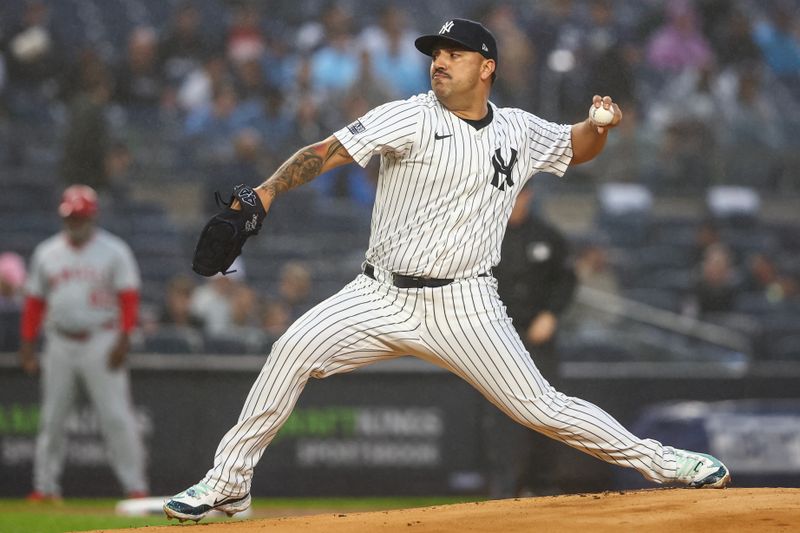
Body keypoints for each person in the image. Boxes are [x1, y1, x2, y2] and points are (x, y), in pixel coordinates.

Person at [164, 18, 730, 522]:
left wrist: (597, 127)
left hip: (466, 305)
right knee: (290, 350)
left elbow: (572, 148)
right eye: (436, 52)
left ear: (487, 67)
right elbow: (328, 151)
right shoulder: (407, 116)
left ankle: (666, 463)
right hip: (378, 293)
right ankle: (229, 486)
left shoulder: (518, 129)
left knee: (542, 408)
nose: (439, 61)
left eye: (455, 53)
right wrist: (265, 192)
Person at [18, 185, 149, 501]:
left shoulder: (114, 250)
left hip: (101, 339)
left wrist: (123, 339)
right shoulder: (47, 252)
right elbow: (35, 302)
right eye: (71, 217)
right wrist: (27, 344)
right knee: (52, 418)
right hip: (59, 341)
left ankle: (135, 487)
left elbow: (129, 299)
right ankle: (45, 488)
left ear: (93, 216)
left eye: (81, 216)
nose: (76, 222)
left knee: (116, 416)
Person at [493, 183, 577, 496]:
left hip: (538, 339)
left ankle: (544, 487)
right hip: (498, 340)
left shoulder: (548, 236)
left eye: (521, 195)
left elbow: (566, 280)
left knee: (548, 409)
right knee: (502, 415)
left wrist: (552, 314)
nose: (516, 201)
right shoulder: (486, 233)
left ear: (529, 197)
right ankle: (503, 489)